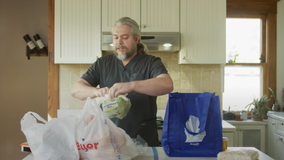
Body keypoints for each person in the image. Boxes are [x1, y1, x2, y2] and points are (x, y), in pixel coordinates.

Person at [71, 17, 173, 146]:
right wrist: (97, 91)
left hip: (143, 141)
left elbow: (167, 84)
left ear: (136, 39)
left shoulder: (151, 62)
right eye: (115, 37)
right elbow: (76, 90)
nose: (119, 42)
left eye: (125, 37)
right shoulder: (102, 63)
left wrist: (131, 85)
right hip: (109, 142)